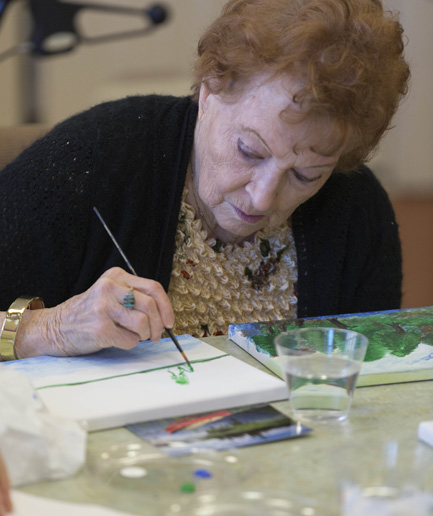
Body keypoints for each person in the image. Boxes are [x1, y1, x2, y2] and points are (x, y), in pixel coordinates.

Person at [0, 0, 410, 363]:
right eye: (250, 150)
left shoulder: (357, 211)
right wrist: (51, 328)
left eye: (306, 175)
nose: (263, 198)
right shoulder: (91, 161)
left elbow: (368, 387)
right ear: (210, 91)